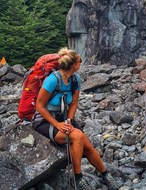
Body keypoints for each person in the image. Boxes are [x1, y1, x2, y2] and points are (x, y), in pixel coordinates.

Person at [32, 47, 118, 190]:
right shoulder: (52, 80)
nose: (81, 63)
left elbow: (74, 102)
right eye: (80, 61)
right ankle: (78, 178)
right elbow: (40, 106)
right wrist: (58, 125)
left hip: (64, 117)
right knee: (78, 136)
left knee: (87, 146)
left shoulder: (75, 79)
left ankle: (105, 174)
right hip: (45, 120)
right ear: (73, 65)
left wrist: (69, 120)